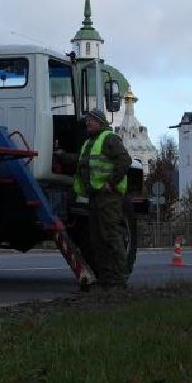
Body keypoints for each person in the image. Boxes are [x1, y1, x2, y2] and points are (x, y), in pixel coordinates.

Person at [64, 108, 133, 289]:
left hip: (108, 198)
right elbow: (80, 160)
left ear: (100, 122)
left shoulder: (109, 139)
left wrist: (111, 182)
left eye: (91, 120)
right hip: (95, 197)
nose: (87, 122)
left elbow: (125, 160)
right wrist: (61, 156)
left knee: (110, 236)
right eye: (87, 119)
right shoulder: (89, 143)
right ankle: (106, 279)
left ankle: (119, 279)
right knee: (97, 240)